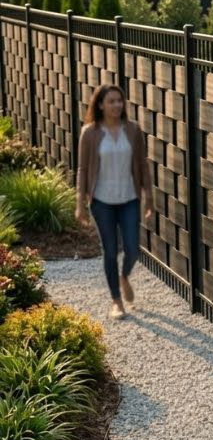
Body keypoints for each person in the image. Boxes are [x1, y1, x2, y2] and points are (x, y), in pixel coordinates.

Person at [75, 84, 154, 319]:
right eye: (111, 101)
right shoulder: (90, 132)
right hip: (102, 201)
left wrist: (149, 196)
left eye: (119, 101)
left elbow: (142, 164)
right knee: (109, 251)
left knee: (132, 249)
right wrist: (80, 202)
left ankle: (124, 276)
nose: (117, 105)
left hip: (129, 198)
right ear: (100, 105)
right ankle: (116, 301)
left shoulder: (133, 130)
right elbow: (82, 168)